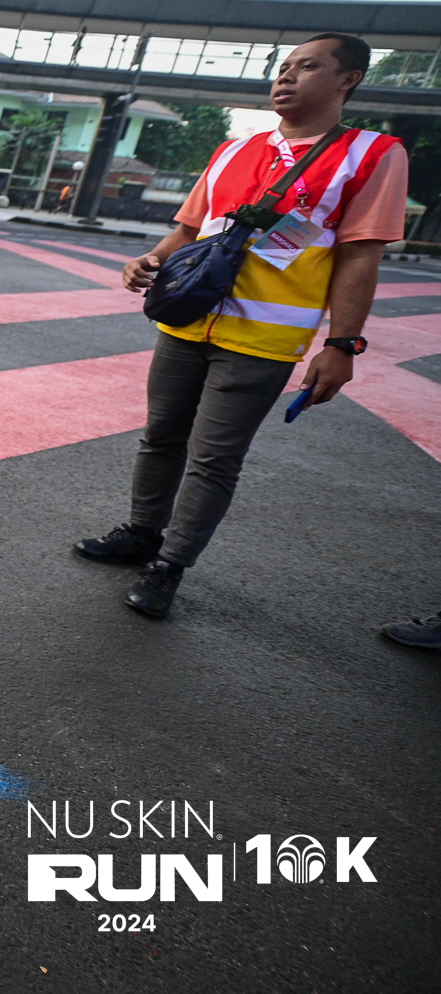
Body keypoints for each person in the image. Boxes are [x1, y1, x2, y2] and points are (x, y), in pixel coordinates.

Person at [75, 33, 409, 618]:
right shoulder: (235, 150)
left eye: (308, 67)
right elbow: (190, 230)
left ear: (347, 80)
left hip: (264, 337)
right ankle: (142, 533)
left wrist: (341, 345)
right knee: (160, 436)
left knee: (214, 458)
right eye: (284, 66)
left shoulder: (372, 154)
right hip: (187, 320)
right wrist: (149, 259)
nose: (287, 76)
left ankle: (169, 566)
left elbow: (361, 255)